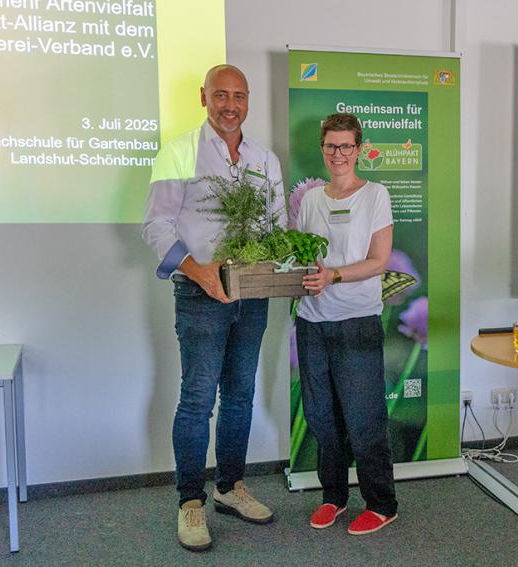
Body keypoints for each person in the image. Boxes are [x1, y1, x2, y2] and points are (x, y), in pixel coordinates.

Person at [141, 64, 284, 552]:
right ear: (203, 97)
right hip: (200, 294)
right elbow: (156, 225)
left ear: (248, 101)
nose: (230, 104)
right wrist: (200, 270)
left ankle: (229, 487)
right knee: (198, 399)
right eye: (220, 94)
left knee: (240, 395)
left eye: (239, 96)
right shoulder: (179, 151)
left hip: (252, 293)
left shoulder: (266, 160)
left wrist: (282, 265)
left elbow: (277, 224)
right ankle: (190, 501)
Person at [295, 112, 398, 535]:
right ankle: (334, 497)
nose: (337, 154)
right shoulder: (310, 200)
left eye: (346, 146)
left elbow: (380, 261)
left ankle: (381, 503)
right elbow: (302, 255)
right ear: (322, 148)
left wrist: (334, 275)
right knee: (322, 419)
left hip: (356, 321)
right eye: (330, 146)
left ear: (358, 149)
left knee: (364, 418)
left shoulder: (375, 194)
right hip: (312, 322)